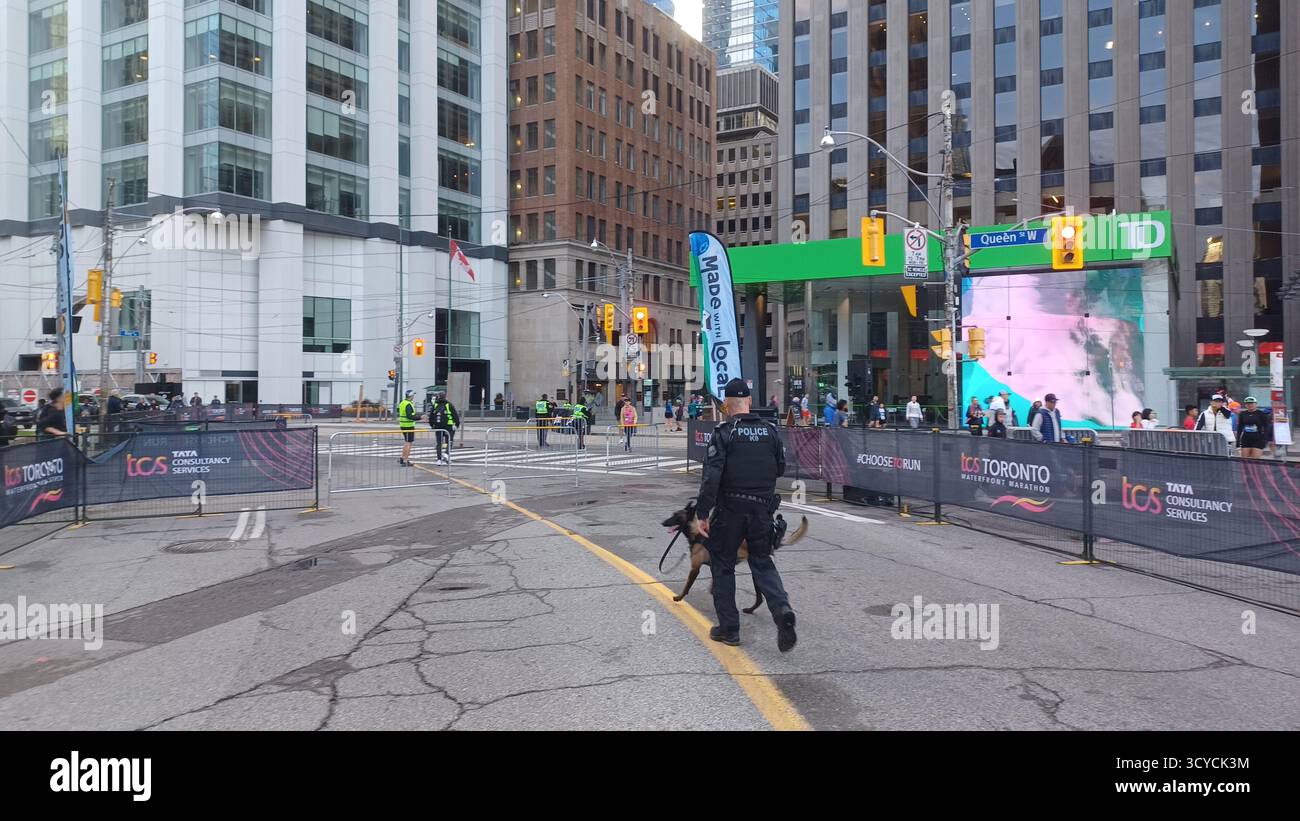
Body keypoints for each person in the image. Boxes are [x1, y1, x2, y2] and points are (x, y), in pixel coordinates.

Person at [694, 377, 797, 652]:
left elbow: (711, 476)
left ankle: (729, 629)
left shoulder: (723, 432)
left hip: (730, 509)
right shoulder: (771, 431)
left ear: (727, 405)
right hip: (762, 508)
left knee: (723, 564)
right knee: (762, 562)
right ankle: (782, 609)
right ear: (749, 401)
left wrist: (702, 512)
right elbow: (780, 469)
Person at [429, 391, 459, 464]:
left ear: (438, 396)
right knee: (449, 441)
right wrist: (457, 425)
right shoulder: (449, 404)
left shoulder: (435, 405)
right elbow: (455, 415)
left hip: (438, 426)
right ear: (445, 396)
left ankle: (439, 460)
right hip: (449, 426)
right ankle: (446, 455)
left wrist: (432, 425)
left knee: (439, 443)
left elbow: (431, 416)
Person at [397, 389, 418, 466]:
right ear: (411, 396)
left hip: (403, 425)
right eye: (413, 395)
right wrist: (420, 418)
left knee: (406, 442)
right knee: (409, 443)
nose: (413, 397)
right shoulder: (408, 404)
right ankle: (405, 460)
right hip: (409, 425)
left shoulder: (402, 403)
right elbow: (409, 416)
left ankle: (402, 458)